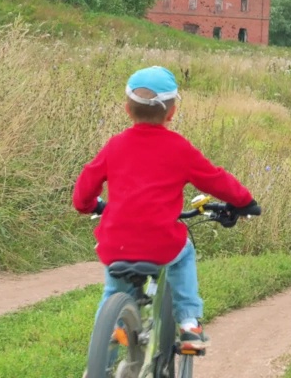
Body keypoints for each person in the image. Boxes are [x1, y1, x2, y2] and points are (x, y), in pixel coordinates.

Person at [73, 66, 259, 352]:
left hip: (115, 243)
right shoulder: (178, 148)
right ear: (171, 113)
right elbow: (215, 179)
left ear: (127, 109)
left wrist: (89, 205)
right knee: (183, 253)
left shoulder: (115, 146)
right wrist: (244, 201)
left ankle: (101, 355)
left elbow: (86, 184)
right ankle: (188, 323)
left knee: (112, 293)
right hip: (161, 243)